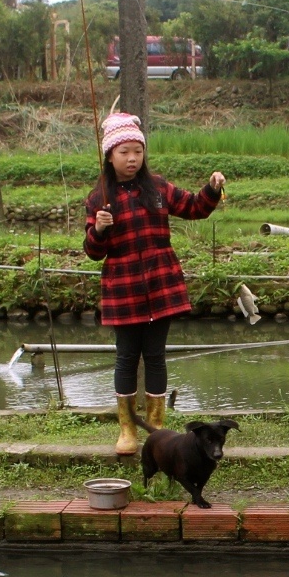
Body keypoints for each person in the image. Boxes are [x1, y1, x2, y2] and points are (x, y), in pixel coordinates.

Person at [83, 111, 225, 454]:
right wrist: (99, 228)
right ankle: (128, 431)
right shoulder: (99, 197)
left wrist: (212, 188)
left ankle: (157, 429)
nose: (132, 159)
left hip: (161, 285)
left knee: (157, 356)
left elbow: (194, 207)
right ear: (109, 155)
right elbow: (92, 252)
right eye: (124, 152)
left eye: (138, 151)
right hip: (123, 288)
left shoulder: (159, 188)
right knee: (126, 357)